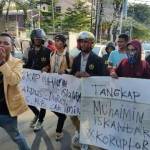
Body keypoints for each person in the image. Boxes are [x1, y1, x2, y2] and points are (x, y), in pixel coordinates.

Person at [70, 31, 105, 150]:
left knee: (88, 118)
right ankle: (80, 133)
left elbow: (102, 78)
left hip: (91, 95)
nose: (83, 44)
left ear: (91, 43)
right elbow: (71, 75)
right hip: (78, 93)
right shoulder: (75, 59)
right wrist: (75, 73)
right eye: (81, 42)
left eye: (86, 42)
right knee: (73, 115)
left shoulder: (98, 60)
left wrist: (89, 75)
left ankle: (86, 138)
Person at [0, 32, 30, 150]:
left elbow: (13, 80)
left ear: (11, 47)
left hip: (7, 111)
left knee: (16, 137)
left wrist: (2, 62)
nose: (1, 45)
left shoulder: (17, 63)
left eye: (5, 43)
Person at [42, 34, 72, 141]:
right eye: (55, 41)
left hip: (63, 87)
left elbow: (72, 70)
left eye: (59, 41)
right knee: (51, 106)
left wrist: (65, 71)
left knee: (61, 111)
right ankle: (61, 120)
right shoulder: (52, 54)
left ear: (64, 43)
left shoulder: (68, 55)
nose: (56, 42)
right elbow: (50, 66)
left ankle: (58, 132)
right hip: (52, 86)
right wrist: (46, 68)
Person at [24, 28, 51, 131]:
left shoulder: (48, 51)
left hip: (43, 81)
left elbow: (51, 64)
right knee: (28, 100)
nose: (37, 41)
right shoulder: (30, 51)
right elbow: (28, 64)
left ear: (43, 40)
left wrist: (47, 67)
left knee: (42, 102)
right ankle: (37, 114)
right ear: (32, 39)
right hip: (32, 80)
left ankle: (40, 121)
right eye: (35, 39)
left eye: (39, 39)